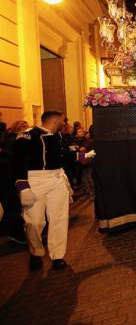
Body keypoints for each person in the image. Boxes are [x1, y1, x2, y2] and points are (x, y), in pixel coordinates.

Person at [12, 110, 73, 271]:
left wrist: (84, 156)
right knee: (34, 221)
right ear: (54, 121)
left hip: (57, 179)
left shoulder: (58, 136)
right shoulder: (27, 136)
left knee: (59, 218)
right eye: (62, 121)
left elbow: (62, 156)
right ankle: (36, 252)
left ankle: (58, 256)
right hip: (35, 180)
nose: (64, 124)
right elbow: (17, 162)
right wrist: (23, 187)